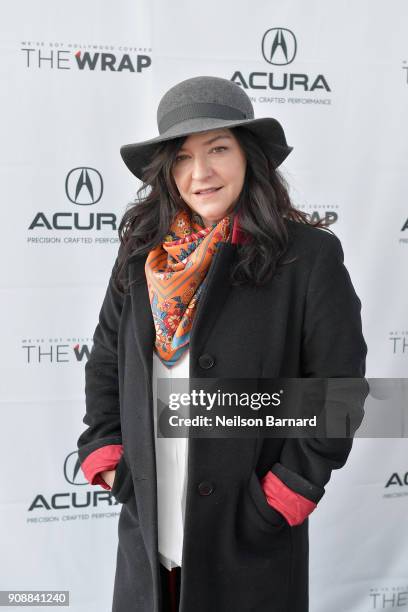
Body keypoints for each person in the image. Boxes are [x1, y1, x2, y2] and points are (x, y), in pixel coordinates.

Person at [77, 75, 368, 612]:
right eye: (183, 157)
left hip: (247, 539)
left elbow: (338, 392)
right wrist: (110, 458)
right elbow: (105, 363)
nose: (200, 173)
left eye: (218, 149)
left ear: (248, 157)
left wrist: (282, 497)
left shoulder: (307, 257)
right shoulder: (142, 257)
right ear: (167, 172)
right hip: (150, 537)